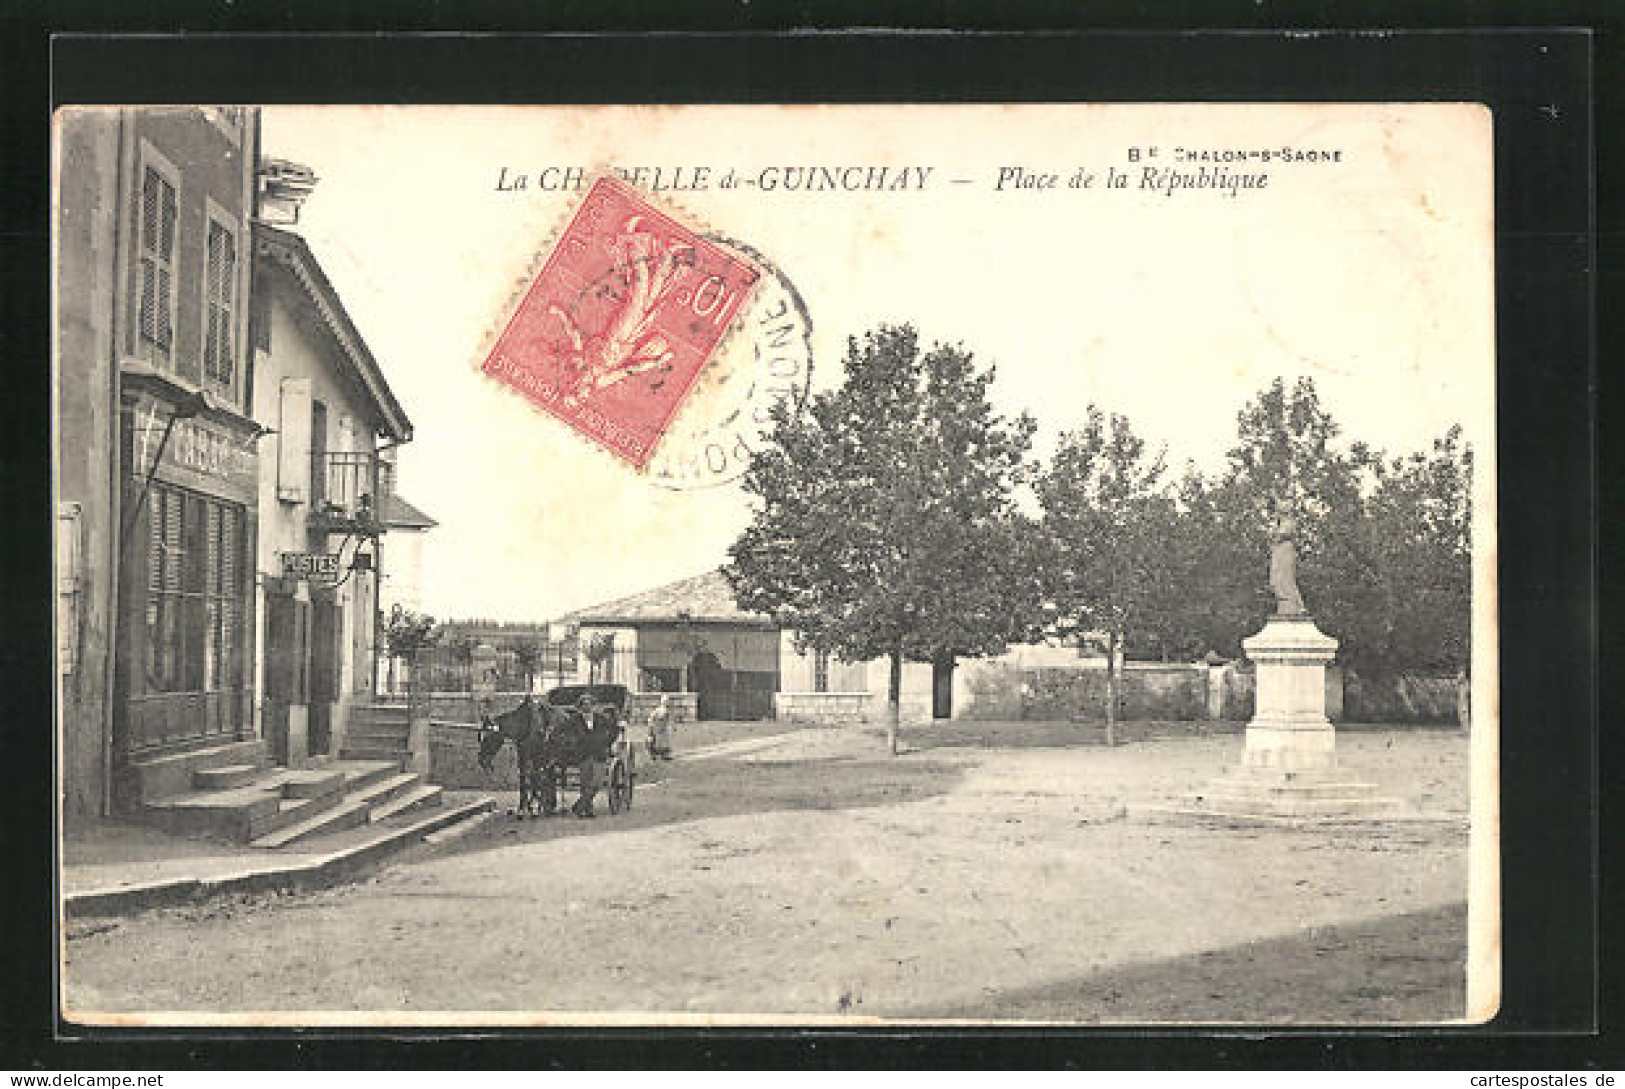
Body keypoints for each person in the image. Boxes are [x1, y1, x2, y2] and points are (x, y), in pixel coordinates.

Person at [647, 693, 674, 760]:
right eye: (665, 702)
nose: (666, 704)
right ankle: (653, 755)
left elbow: (670, 719)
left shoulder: (667, 711)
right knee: (655, 741)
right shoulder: (657, 710)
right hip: (657, 727)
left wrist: (672, 726)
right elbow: (651, 718)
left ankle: (664, 755)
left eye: (667, 702)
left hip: (663, 728)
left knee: (664, 741)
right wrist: (651, 726)